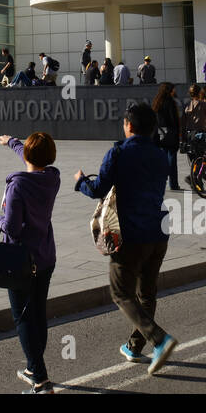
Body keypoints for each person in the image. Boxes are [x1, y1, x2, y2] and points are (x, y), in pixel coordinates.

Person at [74, 103, 179, 374]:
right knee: (147, 293)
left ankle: (159, 340)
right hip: (159, 231)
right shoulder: (159, 155)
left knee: (120, 292)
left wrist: (81, 180)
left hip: (131, 234)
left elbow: (99, 188)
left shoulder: (119, 152)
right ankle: (134, 346)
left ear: (129, 126)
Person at [0, 131, 61, 394]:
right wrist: (13, 143)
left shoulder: (18, 185)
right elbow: (33, 160)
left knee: (23, 319)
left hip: (20, 261)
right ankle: (33, 367)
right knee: (38, 313)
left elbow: (14, 228)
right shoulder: (52, 178)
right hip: (45, 258)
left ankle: (40, 381)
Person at [151, 82, 182, 191]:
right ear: (169, 90)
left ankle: (160, 181)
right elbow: (174, 119)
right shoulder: (170, 102)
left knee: (163, 157)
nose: (175, 91)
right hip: (171, 132)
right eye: (173, 89)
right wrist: (179, 132)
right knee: (172, 159)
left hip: (161, 133)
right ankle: (173, 184)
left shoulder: (157, 102)